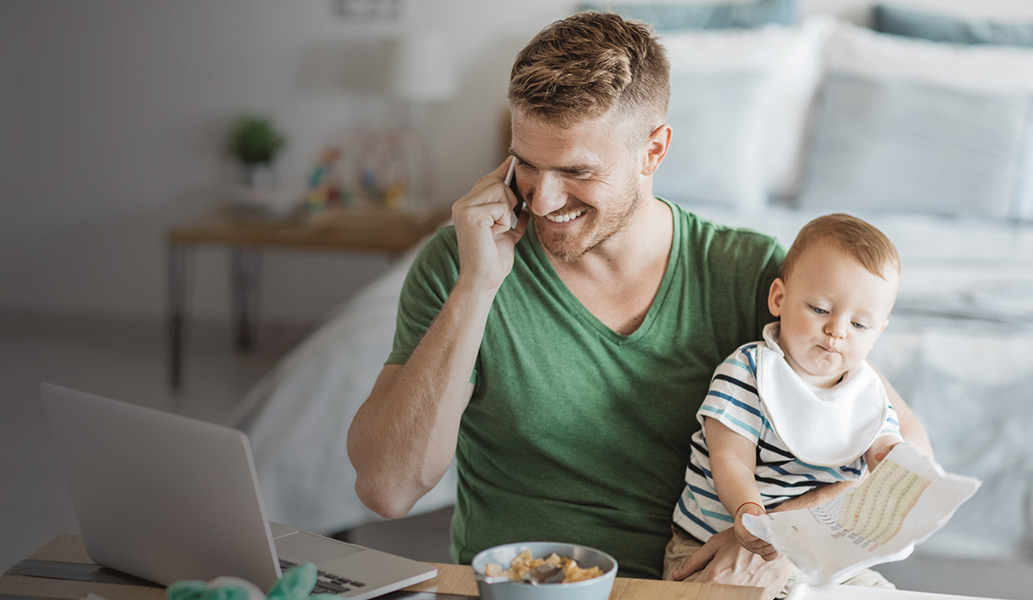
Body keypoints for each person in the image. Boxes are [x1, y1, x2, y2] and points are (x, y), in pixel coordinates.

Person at [344, 10, 932, 591]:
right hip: (531, 589)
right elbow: (387, 490)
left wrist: (785, 539)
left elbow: (910, 461)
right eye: (526, 164)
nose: (544, 200)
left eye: (576, 171)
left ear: (654, 151)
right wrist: (478, 286)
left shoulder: (747, 270)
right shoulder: (460, 262)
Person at [667, 214, 910, 597]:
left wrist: (901, 466)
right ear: (779, 298)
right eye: (819, 309)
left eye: (860, 325)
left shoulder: (867, 391)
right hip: (713, 544)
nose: (837, 330)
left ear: (879, 331)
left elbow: (883, 450)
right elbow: (730, 459)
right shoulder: (748, 371)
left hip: (822, 559)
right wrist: (748, 510)